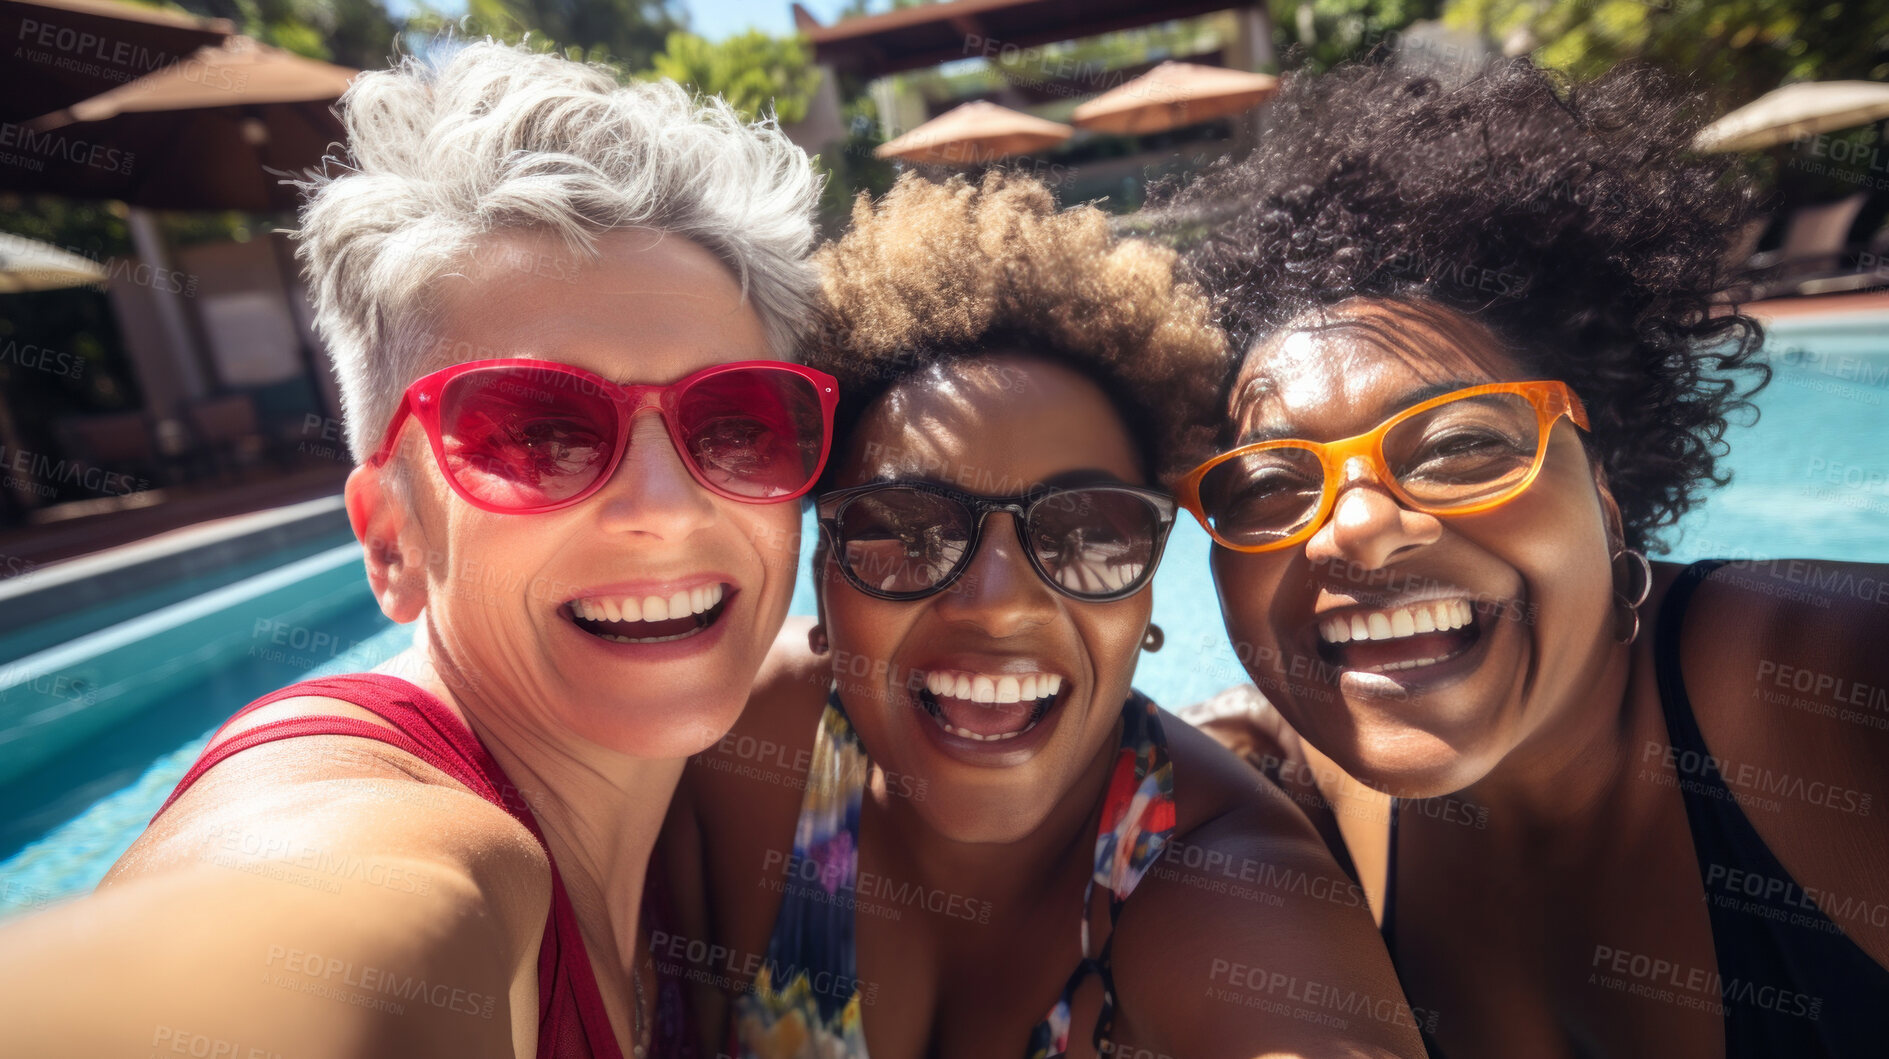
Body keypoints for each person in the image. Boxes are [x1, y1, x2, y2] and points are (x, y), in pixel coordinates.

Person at [0, 43, 831, 1059]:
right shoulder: (378, 826)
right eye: (537, 433)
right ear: (390, 538)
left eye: (735, 423)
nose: (666, 507)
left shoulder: (697, 802)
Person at [1167, 59, 1889, 1058]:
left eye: (1461, 445)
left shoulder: (1835, 695)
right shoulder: (1294, 805)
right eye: (1268, 488)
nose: (1352, 528)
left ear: (1603, 486)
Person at [658, 172, 1426, 1059]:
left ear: (1146, 606)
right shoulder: (731, 745)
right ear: (822, 581)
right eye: (905, 529)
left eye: (1087, 533)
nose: (999, 601)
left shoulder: (1223, 876)